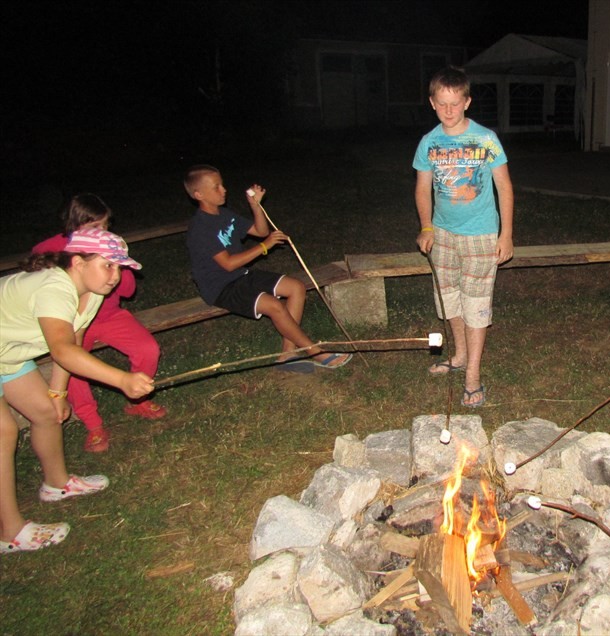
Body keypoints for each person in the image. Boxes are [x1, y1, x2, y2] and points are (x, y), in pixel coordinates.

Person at [1, 229, 154, 553]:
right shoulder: (54, 288)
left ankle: (56, 484)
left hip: (7, 354)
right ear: (78, 263)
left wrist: (57, 393)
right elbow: (62, 350)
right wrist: (122, 379)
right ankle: (9, 532)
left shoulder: (92, 291)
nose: (115, 276)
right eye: (108, 265)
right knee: (4, 433)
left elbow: (73, 343)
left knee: (46, 412)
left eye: (120, 267)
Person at [32, 194, 166, 453]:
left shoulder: (110, 247)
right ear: (74, 224)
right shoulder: (51, 249)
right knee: (75, 366)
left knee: (147, 349)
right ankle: (93, 424)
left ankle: (138, 399)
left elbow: (127, 291)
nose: (103, 231)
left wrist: (119, 266)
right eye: (95, 226)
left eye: (105, 225)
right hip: (70, 322)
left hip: (108, 316)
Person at [183, 165, 351, 373]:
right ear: (198, 194)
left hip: (240, 274)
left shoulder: (224, 214)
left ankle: (287, 354)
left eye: (222, 184)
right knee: (274, 306)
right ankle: (315, 352)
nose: (223, 190)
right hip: (220, 286)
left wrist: (256, 206)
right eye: (216, 187)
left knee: (296, 287)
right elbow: (228, 263)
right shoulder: (201, 228)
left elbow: (261, 231)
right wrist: (264, 246)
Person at [413, 66, 514, 408]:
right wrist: (426, 227)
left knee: (476, 305)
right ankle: (459, 356)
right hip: (442, 234)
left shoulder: (486, 139)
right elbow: (422, 188)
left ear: (467, 102)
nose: (449, 110)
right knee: (450, 300)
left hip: (481, 235)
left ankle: (472, 375)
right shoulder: (429, 143)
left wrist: (506, 234)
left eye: (455, 103)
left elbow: (504, 187)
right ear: (432, 103)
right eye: (442, 103)